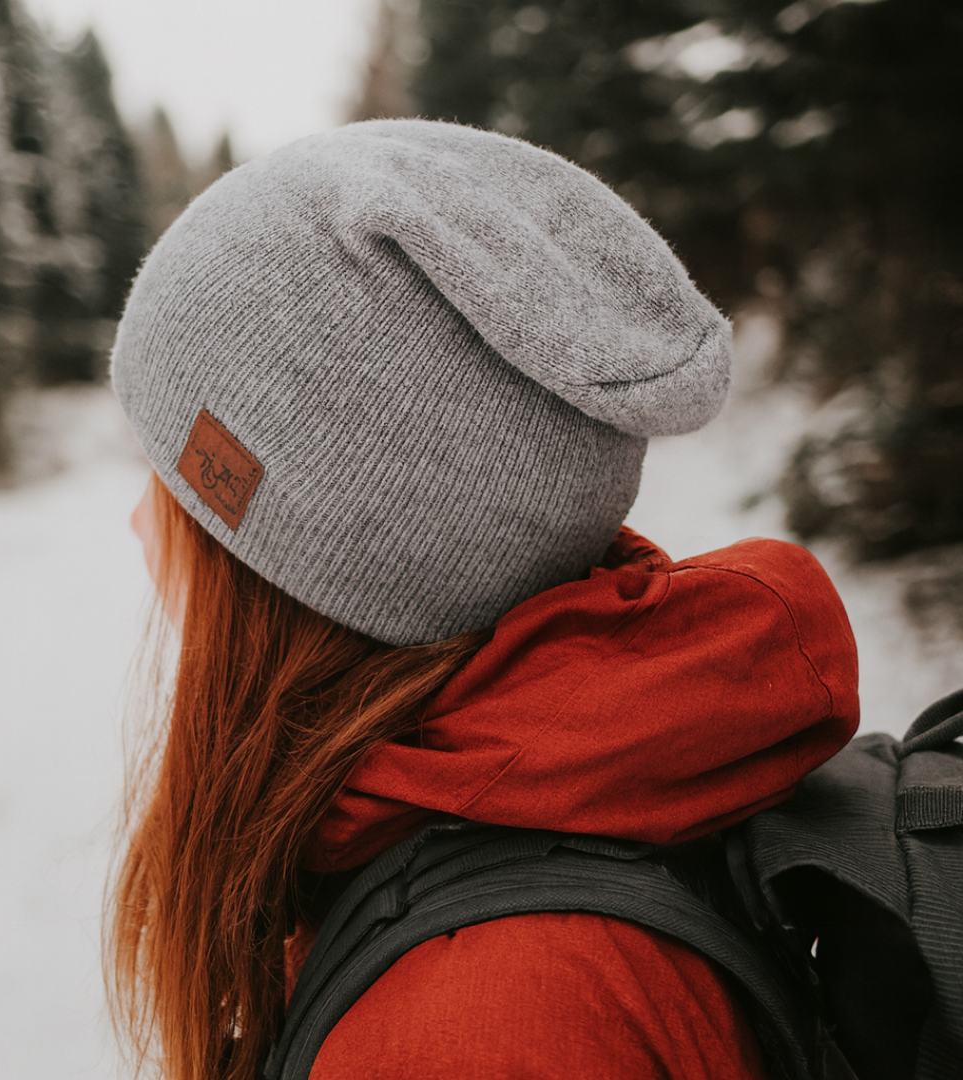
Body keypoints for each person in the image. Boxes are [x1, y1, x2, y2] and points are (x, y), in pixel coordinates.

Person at [107, 119, 859, 1080]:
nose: (140, 523)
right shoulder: (452, 847)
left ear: (339, 551)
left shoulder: (484, 1025)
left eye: (171, 479)